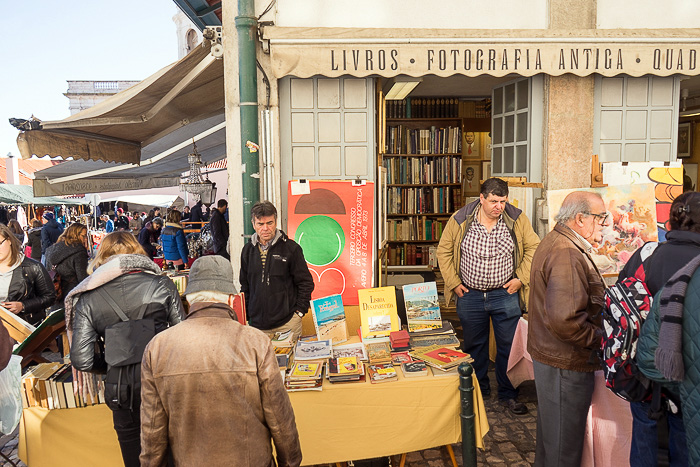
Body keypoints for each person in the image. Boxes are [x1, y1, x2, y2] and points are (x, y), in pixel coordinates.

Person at [140, 256, 302, 466]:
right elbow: (280, 418)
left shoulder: (158, 347)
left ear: (190, 299)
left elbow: (152, 429)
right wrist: (290, 462)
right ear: (230, 298)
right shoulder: (255, 342)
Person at [68, 232, 183, 467]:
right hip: (164, 383)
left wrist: (112, 363)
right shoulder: (161, 283)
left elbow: (81, 359)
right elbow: (183, 335)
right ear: (137, 253)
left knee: (134, 458)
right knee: (175, 453)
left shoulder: (88, 296)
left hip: (121, 389)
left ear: (101, 258)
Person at [437, 177, 539, 414]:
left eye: (502, 201)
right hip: (470, 295)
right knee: (474, 346)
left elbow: (534, 248)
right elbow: (443, 251)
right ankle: (478, 389)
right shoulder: (461, 219)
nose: (499, 206)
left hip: (505, 294)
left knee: (508, 346)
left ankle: (507, 394)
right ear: (481, 198)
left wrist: (520, 279)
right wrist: (453, 283)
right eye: (493, 201)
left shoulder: (516, 218)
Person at [527, 191, 608, 467]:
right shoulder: (566, 252)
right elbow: (567, 321)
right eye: (601, 218)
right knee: (563, 450)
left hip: (557, 359)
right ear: (580, 218)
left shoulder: (561, 242)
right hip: (566, 363)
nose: (604, 225)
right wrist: (601, 339)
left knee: (554, 443)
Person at [631, 192, 700, 466]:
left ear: (669, 222)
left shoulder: (647, 253)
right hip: (688, 373)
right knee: (686, 440)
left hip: (646, 369)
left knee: (644, 437)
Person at [240, 201, 314, 341]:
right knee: (260, 363)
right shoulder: (247, 251)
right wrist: (248, 316)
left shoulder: (291, 249)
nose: (265, 228)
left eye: (270, 223)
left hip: (287, 324)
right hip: (256, 326)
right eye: (260, 224)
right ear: (253, 224)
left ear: (276, 221)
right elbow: (245, 286)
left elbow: (306, 283)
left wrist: (299, 313)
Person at [0, 223, 55, 325]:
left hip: (24, 328)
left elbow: (49, 297)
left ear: (9, 241)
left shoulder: (33, 267)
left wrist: (23, 306)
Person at [46, 223, 89, 305]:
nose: (85, 239)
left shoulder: (51, 249)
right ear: (76, 235)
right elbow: (83, 279)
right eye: (84, 236)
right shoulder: (79, 251)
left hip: (55, 294)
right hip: (72, 296)